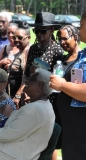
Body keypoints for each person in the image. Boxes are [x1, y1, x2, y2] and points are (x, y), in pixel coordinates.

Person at [50, 22, 85, 159]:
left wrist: (62, 85)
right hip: (62, 114)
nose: (62, 42)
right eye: (60, 39)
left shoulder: (81, 59)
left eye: (65, 38)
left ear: (76, 37)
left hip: (78, 116)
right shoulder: (62, 59)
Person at [14, 12, 63, 109]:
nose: (39, 34)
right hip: (31, 95)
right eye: (37, 31)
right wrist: (23, 92)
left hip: (48, 98)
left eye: (43, 31)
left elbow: (58, 78)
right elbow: (27, 74)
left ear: (52, 30)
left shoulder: (57, 50)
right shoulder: (33, 48)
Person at [0, 23, 31, 97]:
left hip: (20, 95)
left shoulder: (28, 52)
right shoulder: (20, 51)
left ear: (28, 38)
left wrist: (18, 95)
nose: (16, 40)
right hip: (9, 93)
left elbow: (26, 76)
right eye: (15, 37)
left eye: (20, 37)